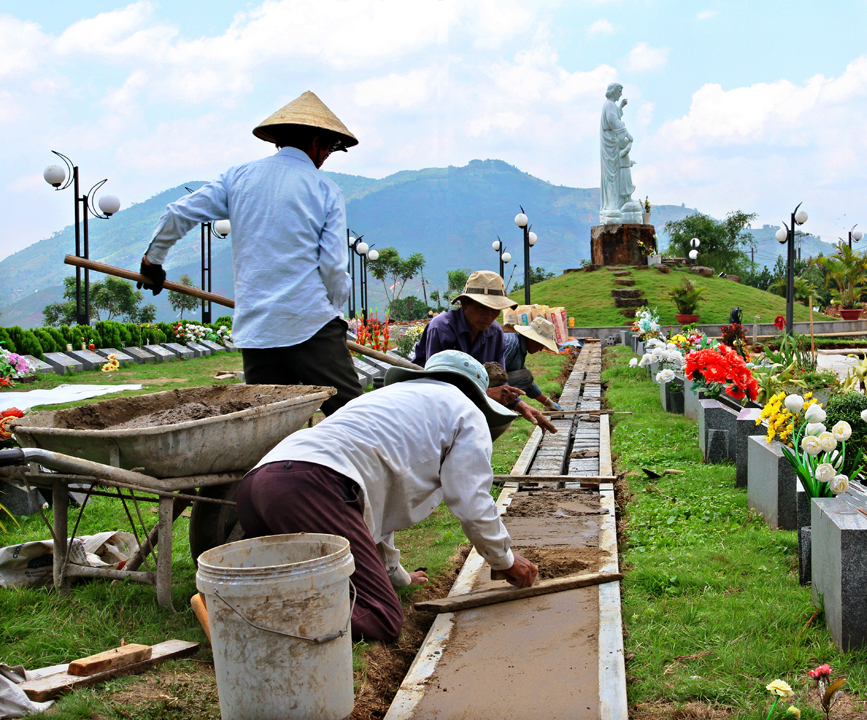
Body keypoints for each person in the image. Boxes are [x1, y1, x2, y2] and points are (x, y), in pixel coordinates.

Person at [237, 350, 540, 643]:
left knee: (300, 582)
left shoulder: (386, 400)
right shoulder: (467, 413)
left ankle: (243, 599)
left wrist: (398, 577)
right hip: (315, 486)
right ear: (478, 394)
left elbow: (381, 505)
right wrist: (505, 559)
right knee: (381, 616)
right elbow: (472, 500)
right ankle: (249, 614)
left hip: (258, 484)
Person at [137, 91, 362, 415]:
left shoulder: (237, 178)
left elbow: (177, 213)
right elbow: (332, 267)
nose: (325, 156)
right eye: (327, 147)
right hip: (310, 324)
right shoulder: (324, 189)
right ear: (316, 142)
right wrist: (336, 312)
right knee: (355, 418)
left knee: (265, 430)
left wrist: (152, 261)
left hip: (258, 331)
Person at [415, 270, 556, 433]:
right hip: (432, 402)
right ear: (465, 303)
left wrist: (521, 405)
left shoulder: (495, 332)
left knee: (496, 425)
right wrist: (486, 394)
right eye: (482, 307)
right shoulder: (442, 328)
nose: (488, 316)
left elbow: (500, 380)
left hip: (471, 399)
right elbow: (437, 386)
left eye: (495, 309)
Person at [503, 316, 563, 411]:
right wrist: (518, 405)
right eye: (541, 345)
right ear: (533, 339)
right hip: (482, 384)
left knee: (525, 375)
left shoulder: (518, 348)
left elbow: (527, 383)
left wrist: (547, 402)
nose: (540, 349)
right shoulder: (512, 345)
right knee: (526, 375)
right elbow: (492, 374)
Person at [600, 82, 636, 224]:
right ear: (614, 91)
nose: (621, 93)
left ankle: (617, 205)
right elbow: (613, 120)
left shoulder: (611, 105)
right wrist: (626, 133)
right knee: (612, 175)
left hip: (613, 141)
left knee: (615, 176)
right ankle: (612, 206)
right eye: (619, 91)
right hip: (610, 142)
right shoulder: (608, 104)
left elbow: (615, 115)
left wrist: (621, 106)